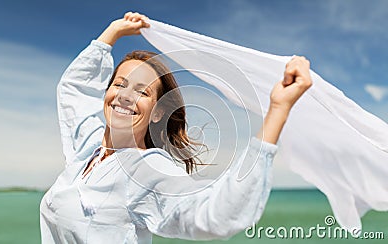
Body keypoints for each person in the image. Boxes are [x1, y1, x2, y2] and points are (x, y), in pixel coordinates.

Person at [40, 12, 312, 243]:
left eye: (141, 92)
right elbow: (74, 90)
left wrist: (277, 110)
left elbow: (213, 214)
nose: (125, 96)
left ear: (158, 112)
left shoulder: (145, 169)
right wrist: (112, 33)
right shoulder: (88, 148)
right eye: (119, 85)